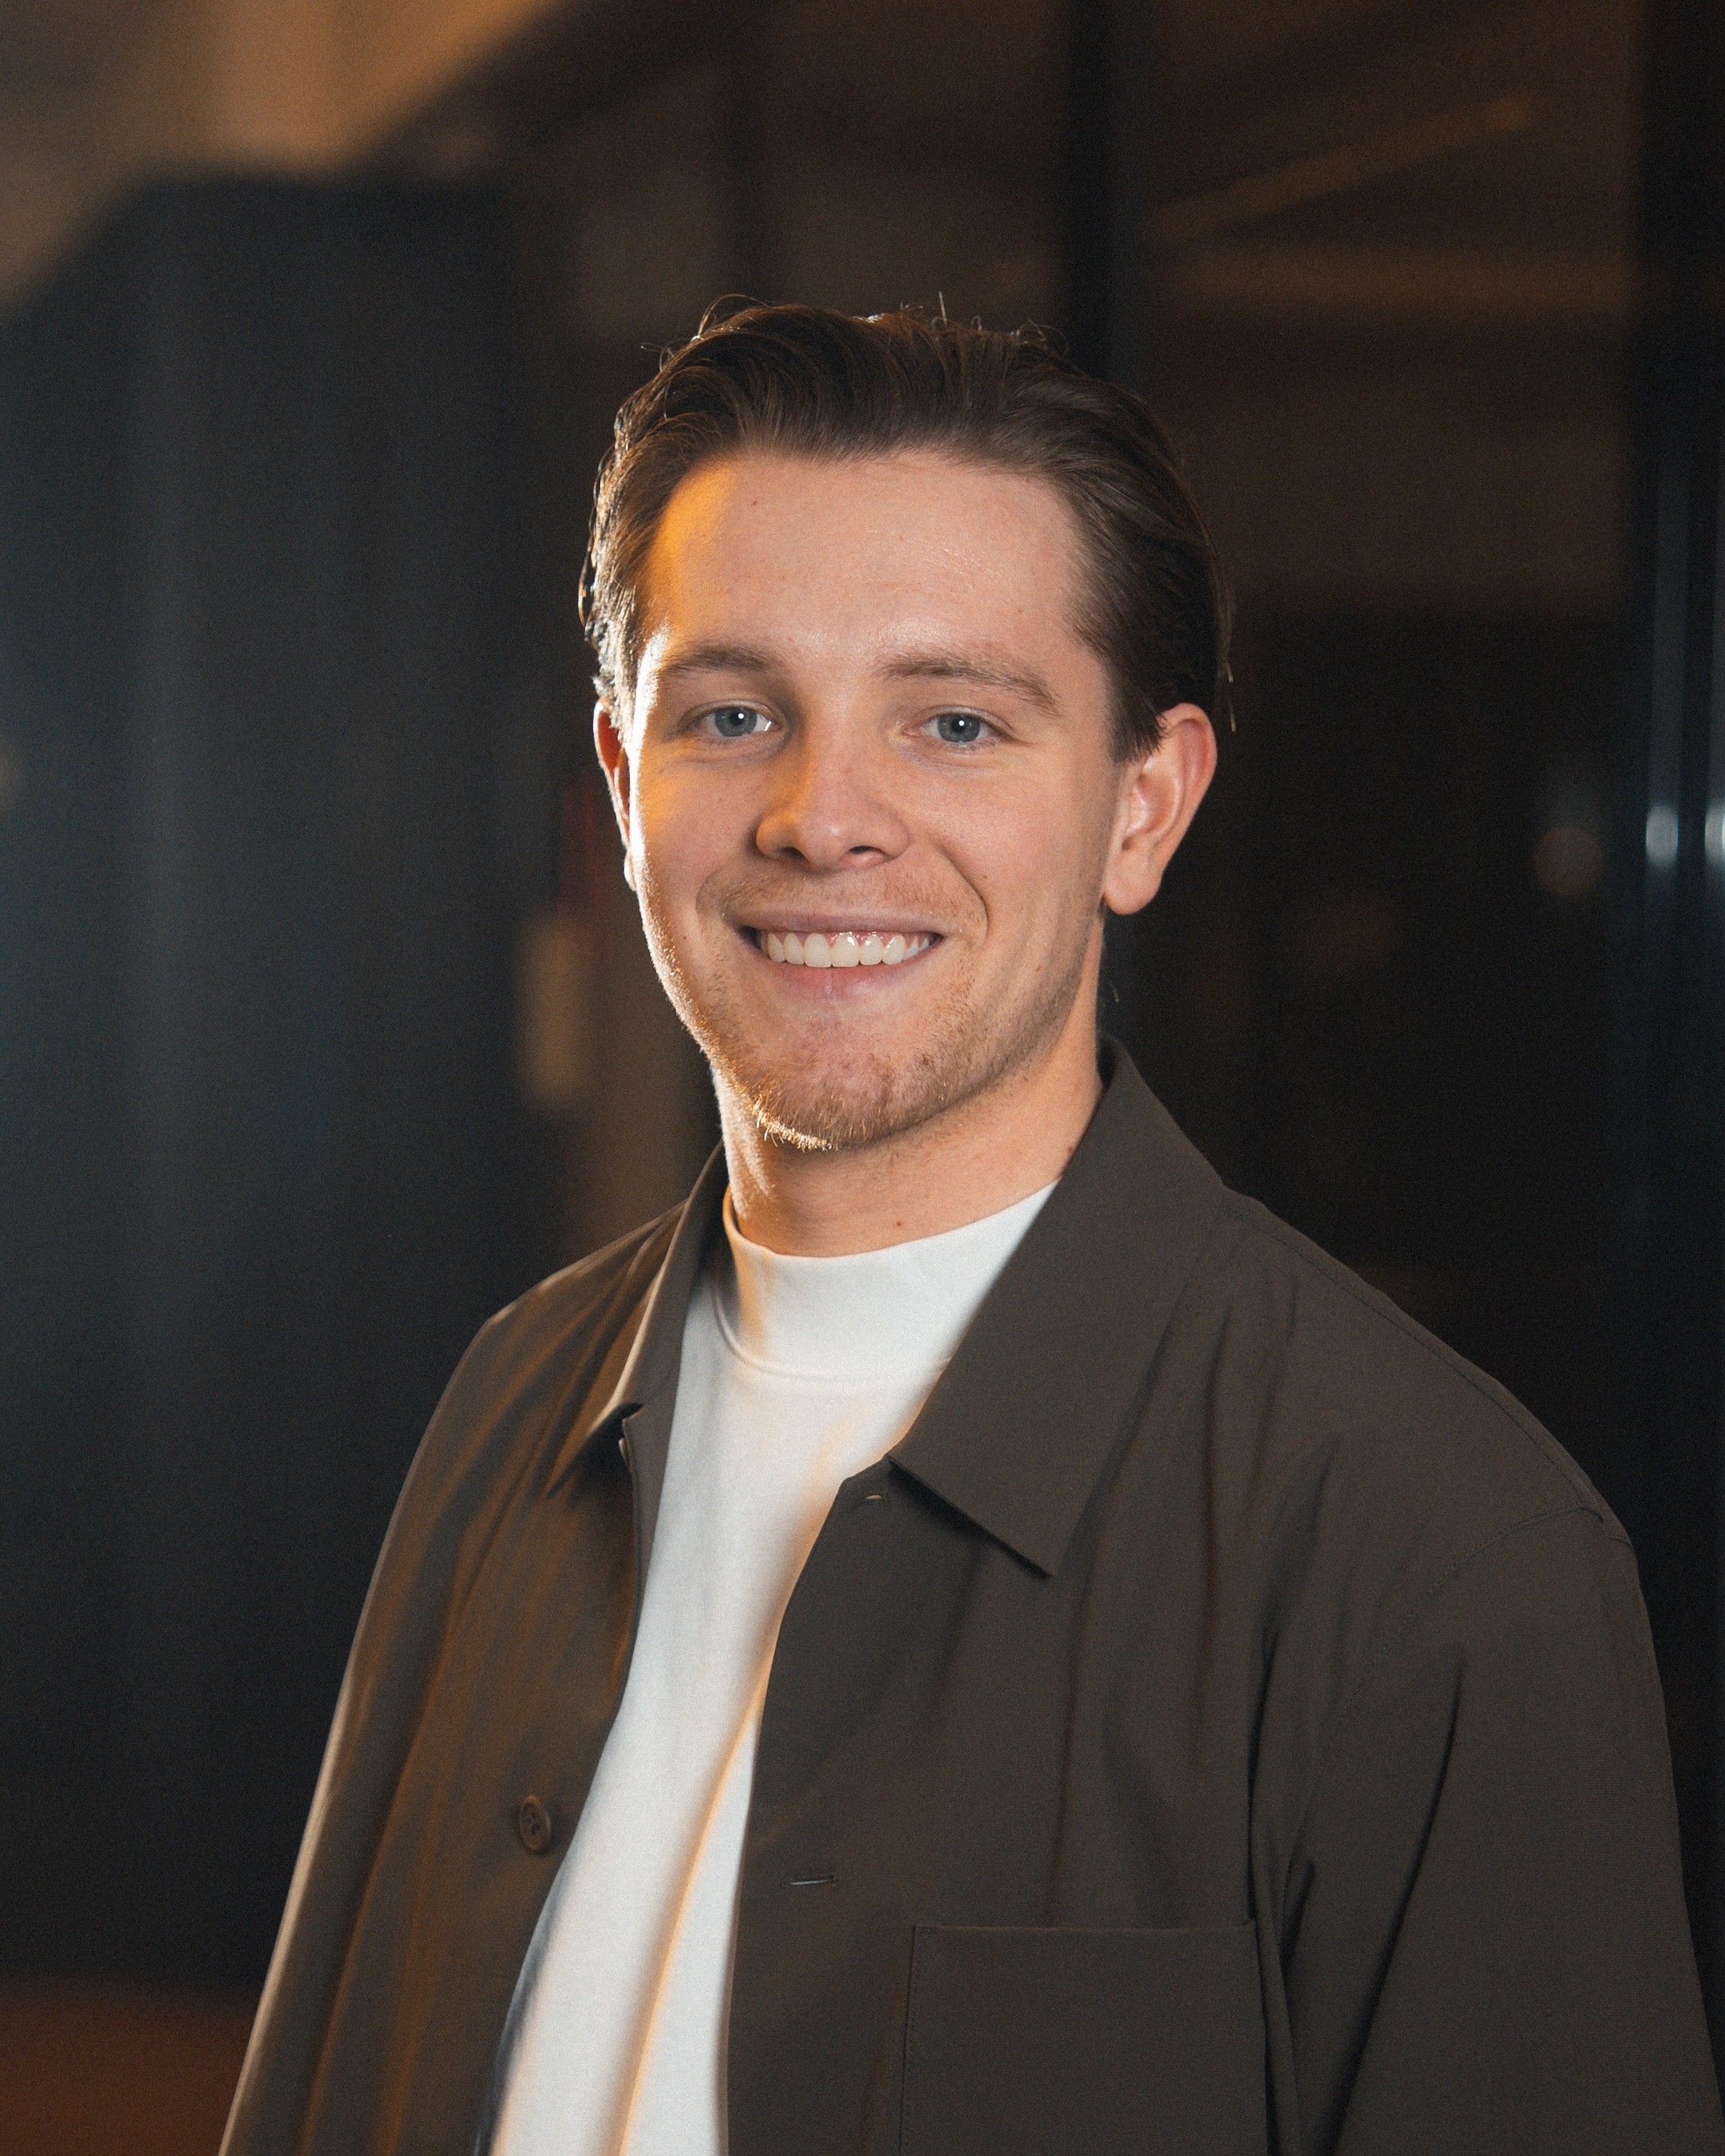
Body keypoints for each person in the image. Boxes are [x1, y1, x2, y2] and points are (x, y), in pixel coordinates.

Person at [220, 305, 1722, 2156]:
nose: (821, 815)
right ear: (624, 786)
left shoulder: (1434, 1555)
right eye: (734, 713)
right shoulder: (509, 1401)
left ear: (1141, 808)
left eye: (950, 720)